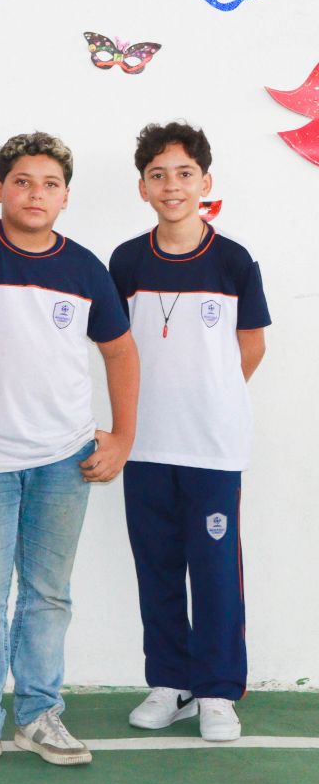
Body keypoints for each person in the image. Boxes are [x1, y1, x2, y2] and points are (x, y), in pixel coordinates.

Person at [0, 132, 138, 773]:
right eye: (22, 181)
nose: (35, 194)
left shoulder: (85, 269)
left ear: (65, 196)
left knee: (48, 595)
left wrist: (123, 436)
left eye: (49, 184)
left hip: (63, 460)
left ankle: (41, 716)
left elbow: (120, 352)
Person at [109, 122, 268, 743]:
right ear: (143, 187)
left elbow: (250, 347)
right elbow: (116, 347)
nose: (171, 186)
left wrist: (210, 396)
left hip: (212, 448)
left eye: (183, 174)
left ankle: (218, 691)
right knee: (157, 568)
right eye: (158, 175)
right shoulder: (126, 261)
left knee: (215, 573)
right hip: (144, 444)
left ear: (205, 182)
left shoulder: (233, 261)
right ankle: (171, 684)